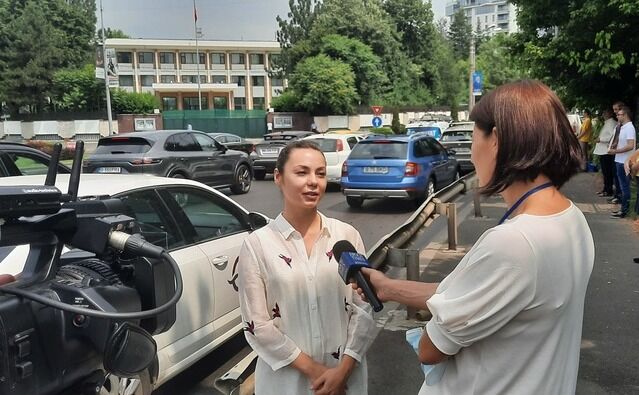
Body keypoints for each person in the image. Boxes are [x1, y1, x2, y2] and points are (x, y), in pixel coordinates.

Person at [354, 80, 594, 395]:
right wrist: (388, 288)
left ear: (496, 139)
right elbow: (478, 294)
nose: (470, 149)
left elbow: (432, 348)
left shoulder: (514, 244)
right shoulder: (571, 218)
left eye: (473, 136)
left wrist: (432, 327)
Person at [238, 140, 375, 395]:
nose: (313, 181)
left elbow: (363, 309)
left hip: (346, 381)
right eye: (302, 172)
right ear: (278, 177)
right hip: (287, 383)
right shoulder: (257, 245)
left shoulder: (346, 236)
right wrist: (318, 373)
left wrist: (342, 370)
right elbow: (258, 325)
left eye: (320, 173)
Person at [608, 105, 636, 218]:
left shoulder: (629, 128)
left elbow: (630, 145)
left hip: (625, 161)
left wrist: (616, 151)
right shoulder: (622, 127)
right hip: (619, 160)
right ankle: (623, 208)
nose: (617, 116)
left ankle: (625, 210)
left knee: (625, 186)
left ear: (625, 115)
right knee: (621, 185)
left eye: (619, 114)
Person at [593, 108, 617, 196]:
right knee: (606, 172)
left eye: (604, 112)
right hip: (604, 151)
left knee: (607, 172)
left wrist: (601, 139)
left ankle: (608, 190)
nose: (603, 114)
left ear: (609, 114)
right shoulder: (608, 123)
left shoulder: (611, 123)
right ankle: (606, 189)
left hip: (606, 151)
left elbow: (612, 136)